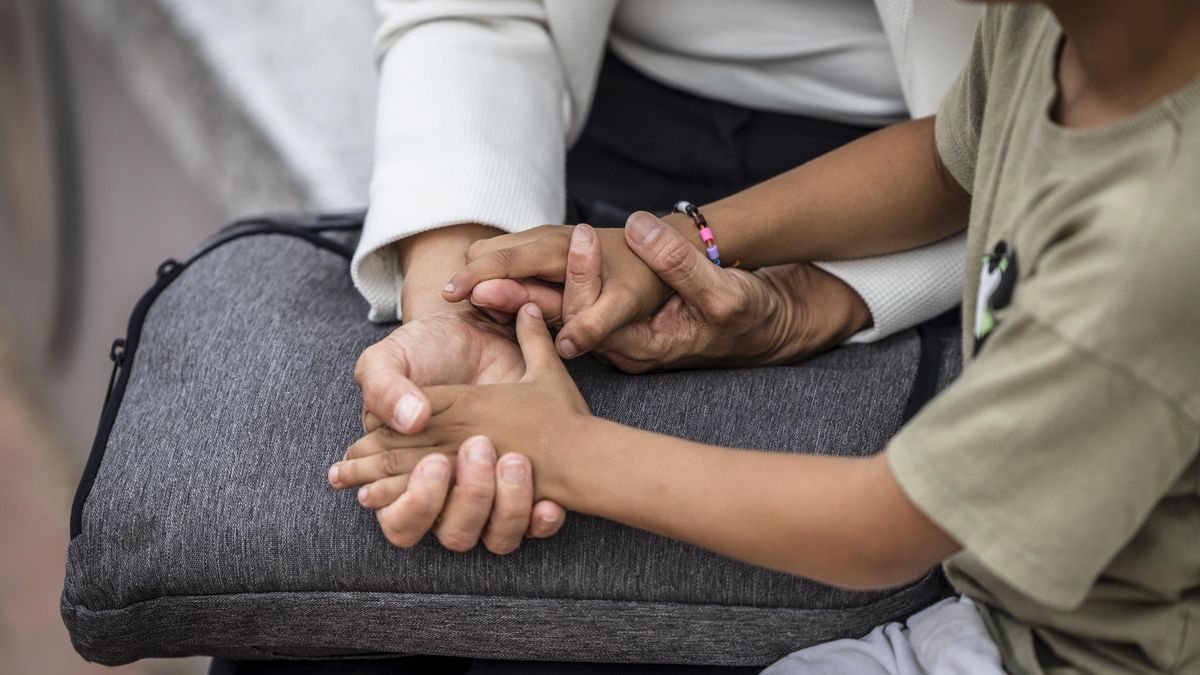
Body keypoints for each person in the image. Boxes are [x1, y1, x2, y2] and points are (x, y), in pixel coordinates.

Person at [330, 0, 1200, 672]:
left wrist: (562, 447)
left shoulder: (1155, 245)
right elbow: (949, 157)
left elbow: (885, 525)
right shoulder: (1049, 32)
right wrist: (680, 245)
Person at [347, 0, 980, 549]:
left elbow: (1003, 132)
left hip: (914, 196)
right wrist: (459, 301)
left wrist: (817, 299)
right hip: (576, 151)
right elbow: (473, 17)